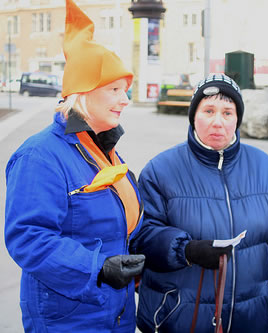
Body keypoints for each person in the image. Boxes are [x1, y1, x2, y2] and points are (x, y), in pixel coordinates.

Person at [4, 0, 145, 332]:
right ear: (82, 94)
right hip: (69, 319)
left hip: (118, 314)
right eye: (114, 90)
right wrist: (97, 268)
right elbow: (28, 237)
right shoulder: (40, 156)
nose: (125, 99)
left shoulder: (105, 150)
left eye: (125, 90)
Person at [129, 73, 268, 333]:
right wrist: (186, 250)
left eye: (227, 112)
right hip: (180, 317)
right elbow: (141, 236)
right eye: (208, 110)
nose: (218, 122)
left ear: (238, 119)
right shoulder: (160, 171)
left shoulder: (266, 170)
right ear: (193, 116)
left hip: (250, 316)